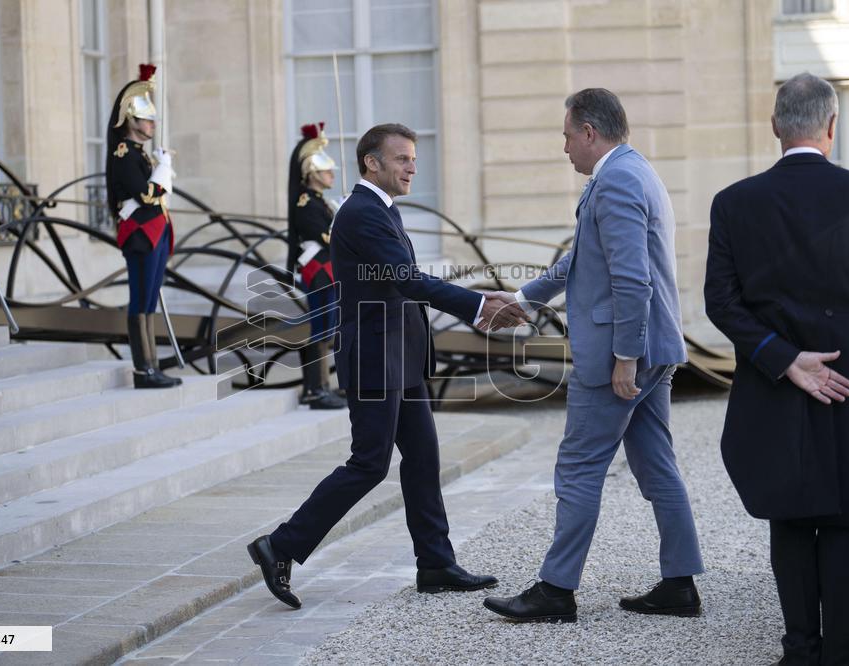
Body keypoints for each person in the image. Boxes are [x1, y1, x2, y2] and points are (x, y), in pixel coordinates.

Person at [247, 123, 524, 609]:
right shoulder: (361, 212)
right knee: (369, 464)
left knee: (422, 458)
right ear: (372, 162)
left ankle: (436, 564)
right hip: (376, 360)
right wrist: (478, 306)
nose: (412, 166)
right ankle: (281, 544)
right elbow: (408, 280)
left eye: (414, 158)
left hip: (401, 358)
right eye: (402, 158)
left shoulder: (380, 209)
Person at [482, 88, 703, 623]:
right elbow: (578, 264)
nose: (564, 148)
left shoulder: (618, 179)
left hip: (621, 353)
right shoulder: (631, 171)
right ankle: (679, 584)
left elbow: (633, 280)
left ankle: (555, 591)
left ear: (588, 132)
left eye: (565, 136)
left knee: (578, 466)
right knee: (656, 465)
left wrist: (624, 355)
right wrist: (520, 297)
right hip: (652, 348)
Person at [704, 72, 849, 665]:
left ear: (776, 125)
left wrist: (784, 358)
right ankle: (840, 647)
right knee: (844, 516)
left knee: (788, 513)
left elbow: (721, 301)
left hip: (772, 381)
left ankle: (799, 649)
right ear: (832, 127)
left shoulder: (733, 202)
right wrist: (848, 338)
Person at [105, 64, 181, 390]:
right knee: (140, 301)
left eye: (152, 119)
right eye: (147, 119)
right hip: (140, 235)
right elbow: (146, 194)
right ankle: (143, 370)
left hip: (156, 232)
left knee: (150, 300)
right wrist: (163, 169)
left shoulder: (141, 155)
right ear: (131, 121)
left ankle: (151, 366)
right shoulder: (124, 154)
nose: (152, 124)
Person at [286, 122, 345, 410]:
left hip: (327, 271)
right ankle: (316, 389)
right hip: (318, 272)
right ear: (312, 172)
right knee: (322, 329)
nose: (331, 175)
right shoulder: (305, 203)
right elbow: (328, 237)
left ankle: (321, 386)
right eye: (325, 171)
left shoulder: (322, 202)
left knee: (328, 328)